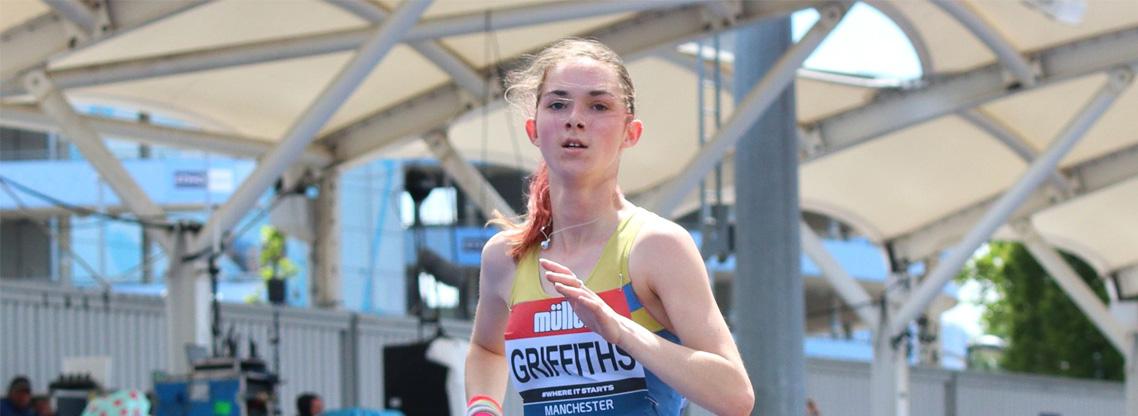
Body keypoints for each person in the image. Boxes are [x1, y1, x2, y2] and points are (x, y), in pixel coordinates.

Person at [464, 38, 754, 416]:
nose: (575, 119)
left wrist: (621, 330)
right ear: (534, 130)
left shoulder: (656, 246)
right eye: (558, 103)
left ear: (629, 133)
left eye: (598, 105)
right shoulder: (506, 257)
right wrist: (482, 409)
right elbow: (486, 350)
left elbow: (735, 395)